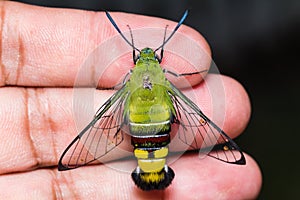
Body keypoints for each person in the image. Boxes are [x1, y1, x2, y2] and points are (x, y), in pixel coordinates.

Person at [0, 1, 262, 199]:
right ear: (161, 66)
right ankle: (155, 168)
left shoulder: (127, 83)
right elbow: (192, 118)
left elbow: (109, 118)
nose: (147, 57)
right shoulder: (168, 81)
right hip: (159, 133)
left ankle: (149, 167)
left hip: (139, 132)